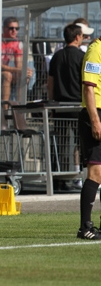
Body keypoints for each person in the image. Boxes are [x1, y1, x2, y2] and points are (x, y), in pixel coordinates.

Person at [48, 24, 85, 188]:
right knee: (81, 142)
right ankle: (82, 175)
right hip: (78, 106)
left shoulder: (57, 56)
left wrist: (51, 101)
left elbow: (50, 83)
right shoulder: (82, 56)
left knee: (60, 144)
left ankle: (59, 179)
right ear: (77, 37)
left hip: (60, 105)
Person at [77, 34, 101, 239]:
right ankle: (85, 227)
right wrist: (95, 120)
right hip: (96, 113)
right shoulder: (95, 50)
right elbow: (89, 88)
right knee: (96, 172)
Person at [0, 17, 34, 102]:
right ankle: (5, 109)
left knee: (24, 76)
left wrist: (25, 71)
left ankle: (20, 107)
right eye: (11, 28)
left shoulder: (16, 42)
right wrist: (20, 69)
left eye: (17, 28)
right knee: (7, 75)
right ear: (4, 29)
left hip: (4, 73)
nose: (14, 31)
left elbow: (18, 64)